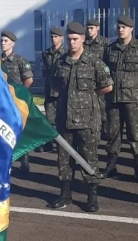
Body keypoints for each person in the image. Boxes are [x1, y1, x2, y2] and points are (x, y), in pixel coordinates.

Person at [47, 22, 113, 211]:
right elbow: (55, 84)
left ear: (83, 38)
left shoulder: (94, 61)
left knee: (88, 158)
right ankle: (65, 195)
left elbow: (107, 85)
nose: (72, 43)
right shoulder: (60, 62)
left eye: (75, 39)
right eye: (69, 40)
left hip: (86, 120)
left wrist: (88, 97)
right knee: (64, 159)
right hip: (64, 119)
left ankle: (92, 198)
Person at [103, 16, 138, 181]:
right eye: (119, 27)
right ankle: (111, 166)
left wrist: (137, 81)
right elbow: (104, 69)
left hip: (133, 98)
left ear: (131, 29)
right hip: (113, 98)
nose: (121, 29)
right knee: (113, 133)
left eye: (124, 27)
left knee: (135, 133)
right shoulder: (110, 49)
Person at [0, 30, 34, 174]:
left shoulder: (20, 60)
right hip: (2, 101)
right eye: (1, 40)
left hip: (16, 102)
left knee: (20, 131)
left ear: (12, 43)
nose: (2, 43)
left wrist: (21, 95)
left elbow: (29, 79)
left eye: (6, 41)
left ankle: (24, 161)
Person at [84, 18, 110, 139]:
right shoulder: (84, 43)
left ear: (97, 28)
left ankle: (105, 128)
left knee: (103, 105)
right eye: (88, 28)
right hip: (87, 78)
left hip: (100, 78)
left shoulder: (105, 43)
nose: (89, 30)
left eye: (91, 28)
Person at [40, 27, 65, 152]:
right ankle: (49, 143)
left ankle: (63, 145)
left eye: (56, 37)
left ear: (61, 38)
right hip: (50, 90)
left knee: (62, 119)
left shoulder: (66, 53)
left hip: (62, 92)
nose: (54, 39)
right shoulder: (46, 54)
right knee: (50, 119)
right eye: (52, 37)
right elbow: (45, 71)